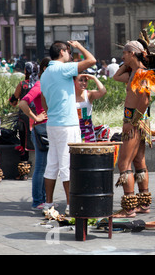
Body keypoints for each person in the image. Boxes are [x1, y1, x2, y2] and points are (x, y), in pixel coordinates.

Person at [40, 40, 96, 216]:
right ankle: (72, 205)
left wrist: (52, 112)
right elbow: (91, 60)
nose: (71, 55)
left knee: (52, 164)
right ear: (62, 52)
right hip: (67, 124)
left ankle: (48, 203)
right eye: (69, 51)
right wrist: (80, 47)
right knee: (68, 165)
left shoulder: (45, 73)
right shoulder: (62, 68)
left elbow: (43, 100)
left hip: (53, 123)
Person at [112, 40, 155, 218]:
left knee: (124, 163)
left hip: (135, 121)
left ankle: (129, 207)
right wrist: (129, 62)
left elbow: (145, 101)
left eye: (124, 53)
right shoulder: (135, 73)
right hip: (137, 120)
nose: (122, 57)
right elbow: (116, 76)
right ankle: (143, 204)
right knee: (139, 161)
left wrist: (131, 122)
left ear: (132, 53)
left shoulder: (143, 73)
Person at [19, 58, 50, 209]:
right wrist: (36, 117)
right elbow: (22, 102)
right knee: (41, 166)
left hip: (49, 129)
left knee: (46, 166)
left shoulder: (49, 84)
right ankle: (38, 200)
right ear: (44, 69)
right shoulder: (40, 84)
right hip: (41, 129)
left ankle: (43, 199)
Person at [9, 62, 39, 180]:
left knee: (23, 143)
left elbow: (14, 101)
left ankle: (24, 173)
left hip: (24, 117)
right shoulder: (39, 84)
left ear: (26, 71)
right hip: (38, 116)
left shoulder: (22, 84)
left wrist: (12, 100)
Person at [74, 73, 107, 143]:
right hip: (73, 132)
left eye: (85, 81)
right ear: (74, 81)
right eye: (80, 80)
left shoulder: (89, 94)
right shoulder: (69, 95)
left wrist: (94, 78)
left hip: (88, 134)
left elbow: (103, 91)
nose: (83, 83)